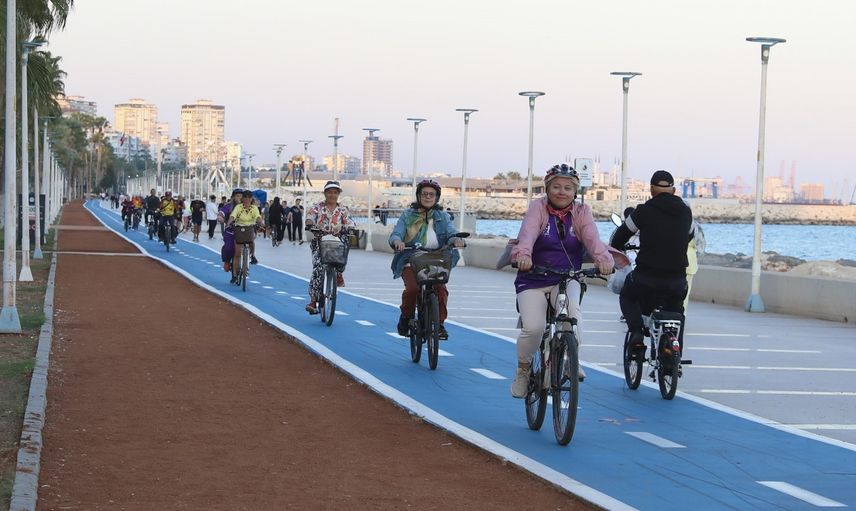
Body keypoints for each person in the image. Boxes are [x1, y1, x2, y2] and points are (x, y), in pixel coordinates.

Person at [508, 164, 618, 397]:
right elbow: (527, 235)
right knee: (534, 328)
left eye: (568, 188)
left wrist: (604, 260)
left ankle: (570, 360)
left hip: (568, 277)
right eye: (556, 187)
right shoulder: (538, 208)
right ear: (547, 189)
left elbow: (592, 239)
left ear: (575, 192)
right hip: (533, 277)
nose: (562, 192)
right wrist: (523, 256)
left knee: (573, 316)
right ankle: (523, 371)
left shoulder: (582, 212)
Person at [610, 170, 693, 355]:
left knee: (628, 295)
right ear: (673, 190)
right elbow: (689, 235)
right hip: (677, 279)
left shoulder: (643, 211)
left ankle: (637, 332)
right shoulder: (685, 211)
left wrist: (617, 250)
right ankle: (675, 354)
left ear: (651, 190)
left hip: (646, 277)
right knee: (677, 312)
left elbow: (620, 235)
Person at [389, 179, 465, 340]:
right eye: (424, 194)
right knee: (413, 289)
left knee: (441, 290)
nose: (428, 197)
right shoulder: (408, 215)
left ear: (437, 197)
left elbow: (451, 233)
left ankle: (439, 324)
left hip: (436, 259)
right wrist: (397, 241)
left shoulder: (443, 216)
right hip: (411, 258)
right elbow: (396, 233)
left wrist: (456, 240)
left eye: (432, 194)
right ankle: (406, 317)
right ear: (419, 195)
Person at [304, 181, 355, 314]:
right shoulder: (317, 207)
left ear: (338, 194)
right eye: (330, 192)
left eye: (335, 192)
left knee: (342, 256)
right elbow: (310, 217)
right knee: (318, 268)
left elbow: (350, 222)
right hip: (320, 241)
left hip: (338, 241)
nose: (332, 195)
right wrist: (310, 224)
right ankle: (313, 301)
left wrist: (350, 228)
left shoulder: (343, 210)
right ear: (325, 193)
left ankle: (339, 273)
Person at [226, 190, 263, 283]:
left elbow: (258, 216)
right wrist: (228, 223)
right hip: (239, 228)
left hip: (250, 228)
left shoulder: (254, 208)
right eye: (245, 197)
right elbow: (233, 216)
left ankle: (252, 255)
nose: (247, 199)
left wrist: (260, 222)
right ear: (243, 198)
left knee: (251, 240)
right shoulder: (238, 207)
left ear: (251, 199)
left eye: (249, 197)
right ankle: (235, 275)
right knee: (237, 253)